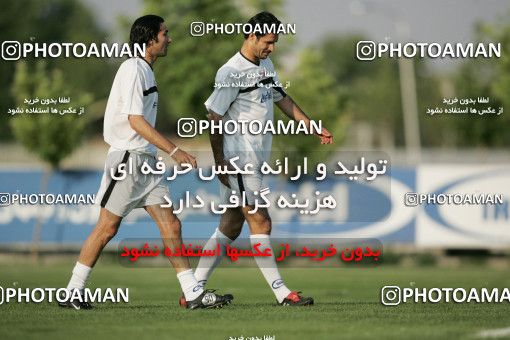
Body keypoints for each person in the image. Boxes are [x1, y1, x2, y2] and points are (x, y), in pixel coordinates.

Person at [60, 15, 232, 310]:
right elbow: (135, 121)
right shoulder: (133, 69)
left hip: (146, 163)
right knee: (107, 228)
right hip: (128, 158)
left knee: (172, 224)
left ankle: (192, 293)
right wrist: (174, 150)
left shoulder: (146, 70)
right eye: (165, 33)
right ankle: (73, 291)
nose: (169, 39)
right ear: (150, 38)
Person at [183, 11, 333, 307]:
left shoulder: (265, 64)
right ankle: (282, 293)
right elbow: (214, 117)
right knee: (261, 222)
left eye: (275, 42)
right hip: (238, 159)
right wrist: (220, 162)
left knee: (230, 225)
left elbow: (282, 99)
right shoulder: (231, 72)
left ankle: (194, 291)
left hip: (254, 159)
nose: (272, 48)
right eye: (268, 42)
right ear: (251, 36)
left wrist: (312, 125)